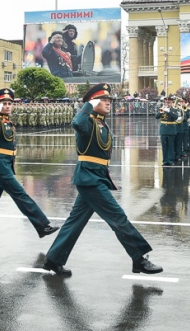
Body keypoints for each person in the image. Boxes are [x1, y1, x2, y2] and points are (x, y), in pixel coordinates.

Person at [43, 83, 161, 277]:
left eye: (109, 100)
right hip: (89, 178)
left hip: (96, 176)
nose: (108, 103)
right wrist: (88, 105)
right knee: (117, 217)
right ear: (93, 102)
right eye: (103, 100)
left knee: (75, 222)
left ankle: (53, 260)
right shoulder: (87, 120)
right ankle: (139, 258)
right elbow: (77, 123)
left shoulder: (101, 122)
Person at [0, 88, 59, 244]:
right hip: (0, 166)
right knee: (20, 194)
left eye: (10, 103)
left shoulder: (7, 122)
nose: (8, 106)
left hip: (5, 165)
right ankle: (42, 225)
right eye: (4, 104)